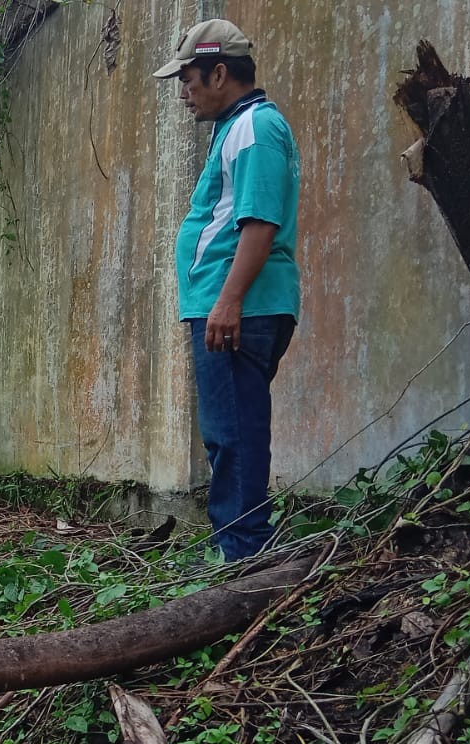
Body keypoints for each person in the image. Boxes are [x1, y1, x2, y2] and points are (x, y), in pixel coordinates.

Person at [154, 19, 300, 560]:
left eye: (188, 80)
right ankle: (238, 546)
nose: (184, 94)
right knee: (229, 432)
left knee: (233, 433)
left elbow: (259, 223)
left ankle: (241, 555)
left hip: (241, 307)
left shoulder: (254, 129)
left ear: (219, 73)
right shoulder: (236, 127)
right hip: (230, 305)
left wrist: (229, 300)